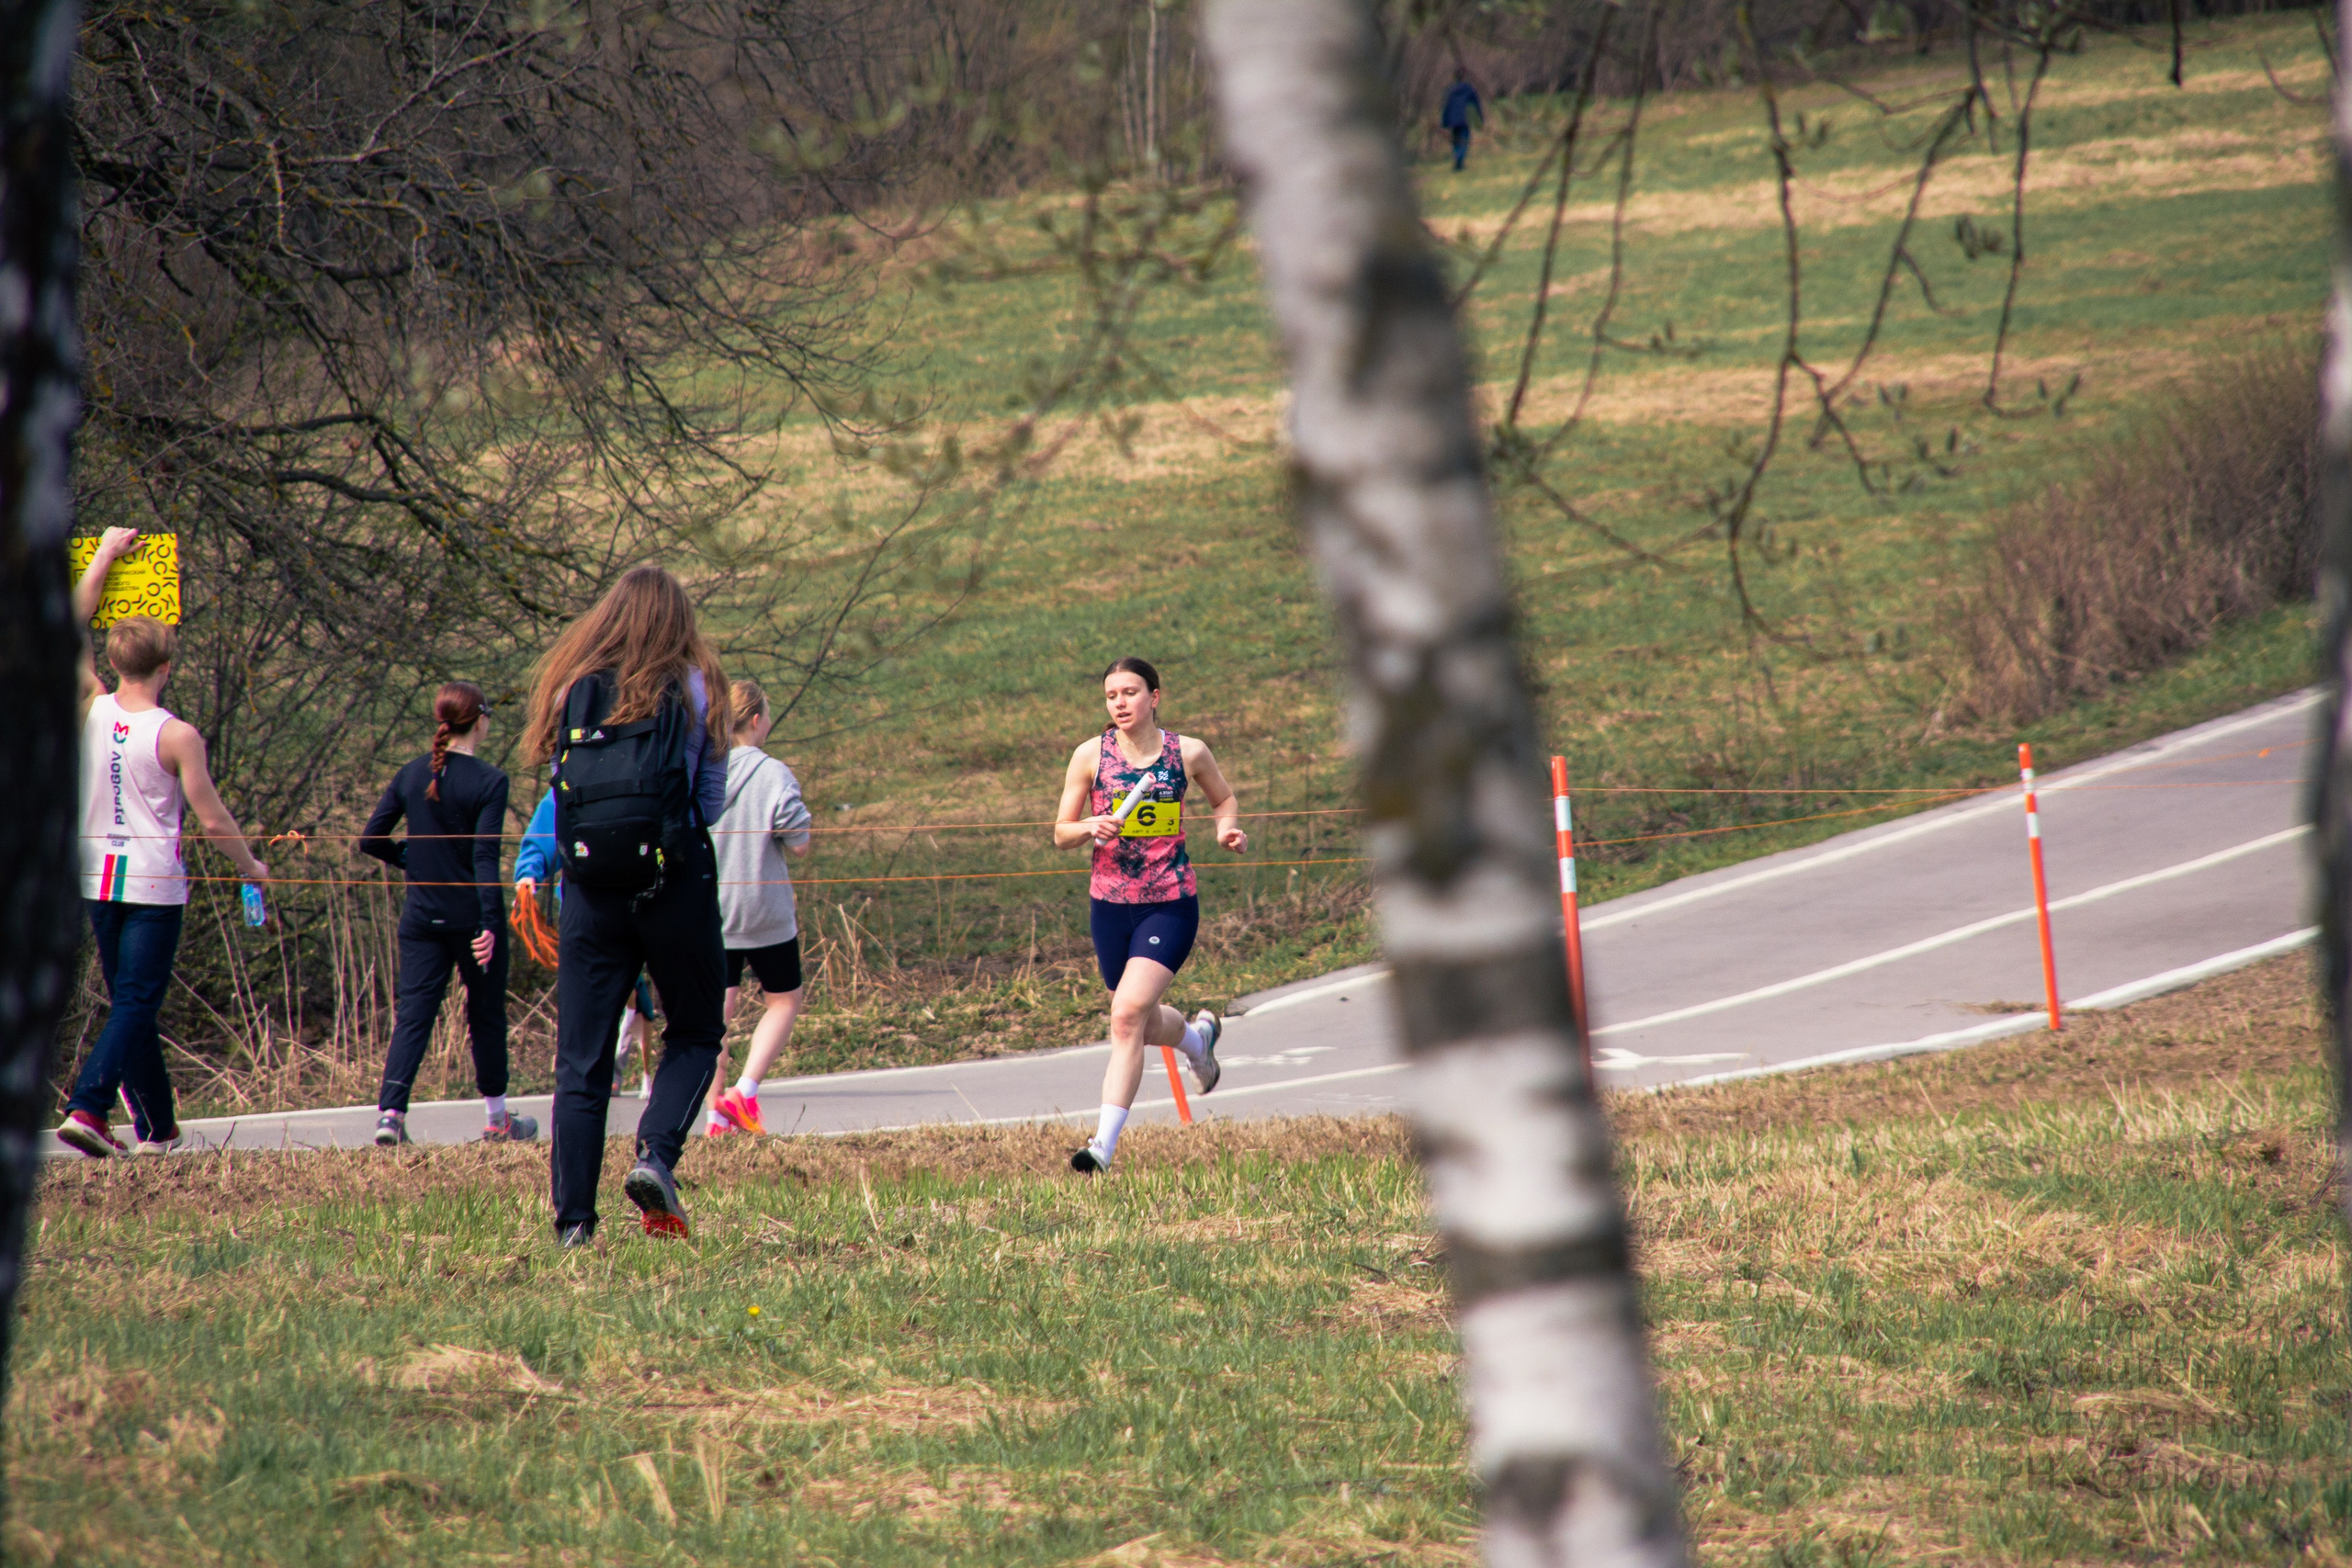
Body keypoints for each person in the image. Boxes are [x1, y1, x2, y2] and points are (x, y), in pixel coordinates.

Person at [522, 564, 730, 1244]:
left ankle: (574, 1225)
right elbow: (711, 801)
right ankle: (655, 1155)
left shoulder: (571, 687)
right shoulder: (700, 687)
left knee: (580, 1062)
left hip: (589, 890)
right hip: (675, 882)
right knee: (696, 1031)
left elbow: (560, 791)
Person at [58, 531, 271, 1157]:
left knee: (133, 999)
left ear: (117, 662)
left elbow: (70, 622)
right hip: (153, 882)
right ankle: (91, 1107)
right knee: (136, 999)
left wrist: (102, 558)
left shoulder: (89, 705)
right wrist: (251, 865)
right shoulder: (179, 735)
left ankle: (156, 1129)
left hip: (95, 875)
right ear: (167, 666)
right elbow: (212, 821)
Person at [1052, 657, 1245, 1174]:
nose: (1119, 703)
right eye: (1111, 694)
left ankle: (1102, 1147)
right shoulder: (1090, 756)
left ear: (1154, 697)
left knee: (1125, 1016)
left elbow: (1223, 799)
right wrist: (1090, 826)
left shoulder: (1188, 753)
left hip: (1170, 903)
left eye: (1130, 692)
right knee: (1138, 1017)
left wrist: (1227, 830)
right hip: (1110, 906)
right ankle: (1196, 1039)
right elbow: (1060, 833)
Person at [358, 682, 536, 1146]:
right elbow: (483, 860)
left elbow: (370, 839)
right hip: (471, 922)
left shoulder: (411, 774)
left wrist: (410, 859)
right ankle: (498, 1120)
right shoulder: (491, 781)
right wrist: (492, 927)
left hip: (421, 920)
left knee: (414, 1015)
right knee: (486, 1016)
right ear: (480, 721)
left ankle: (391, 1116)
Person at [705, 679, 813, 1137]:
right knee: (784, 1000)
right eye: (767, 714)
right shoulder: (774, 773)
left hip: (712, 913)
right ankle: (745, 1094)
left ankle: (713, 1117)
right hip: (764, 914)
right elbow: (800, 841)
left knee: (716, 1021)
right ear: (754, 719)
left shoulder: (703, 770)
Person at [515, 792, 654, 1098]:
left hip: (637, 909)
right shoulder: (573, 774)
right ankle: (603, 1076)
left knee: (635, 1000)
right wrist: (529, 870)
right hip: (593, 914)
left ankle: (631, 1072)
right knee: (596, 1012)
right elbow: (549, 826)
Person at [1441, 67, 1484, 172]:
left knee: (1456, 141)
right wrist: (1480, 119)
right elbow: (1476, 104)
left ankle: (1457, 159)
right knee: (1464, 140)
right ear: (1463, 77)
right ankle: (1459, 161)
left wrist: (1444, 121)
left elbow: (1445, 106)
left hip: (1452, 120)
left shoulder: (1449, 90)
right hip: (1464, 119)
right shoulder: (1469, 89)